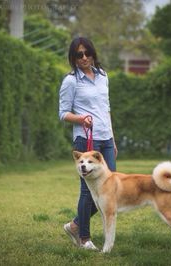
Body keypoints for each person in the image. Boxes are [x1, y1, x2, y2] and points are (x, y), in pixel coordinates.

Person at [59, 37, 117, 250]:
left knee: (110, 188)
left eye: (87, 53)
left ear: (93, 53)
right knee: (87, 191)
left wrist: (113, 139)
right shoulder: (71, 80)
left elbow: (106, 108)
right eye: (79, 55)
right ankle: (84, 238)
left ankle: (75, 225)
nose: (84, 58)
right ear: (73, 58)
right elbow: (63, 113)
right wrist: (81, 118)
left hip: (106, 139)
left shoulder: (103, 76)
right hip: (85, 139)